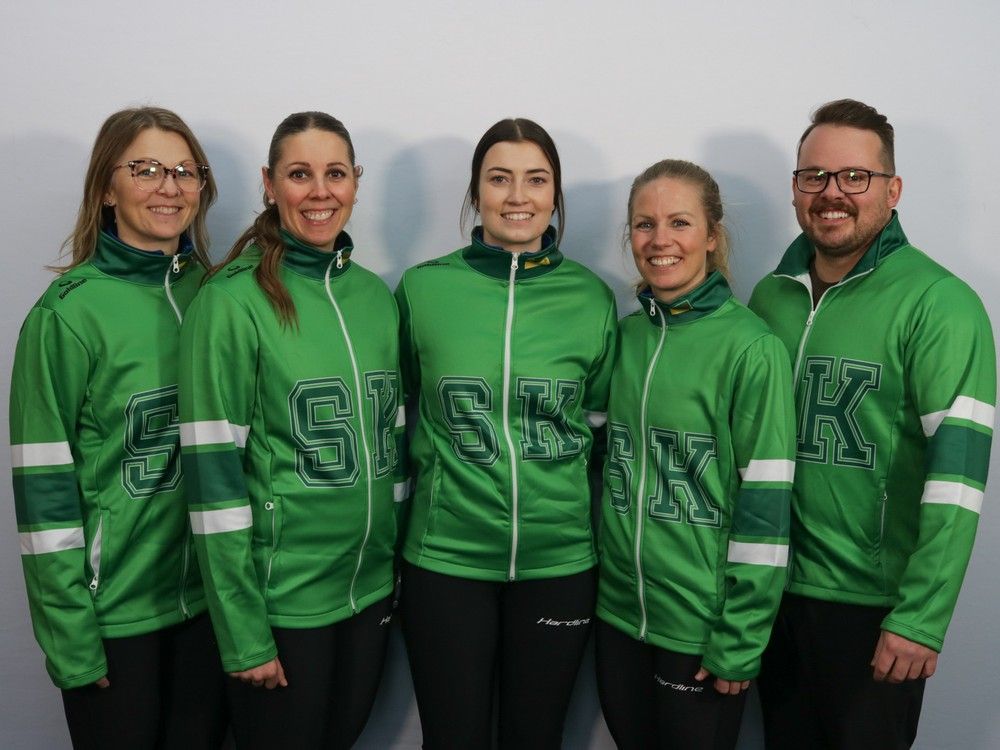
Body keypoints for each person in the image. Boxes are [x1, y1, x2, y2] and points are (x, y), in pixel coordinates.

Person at [750, 99, 997, 750]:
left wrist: (922, 615)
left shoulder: (941, 304)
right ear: (798, 188)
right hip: (772, 596)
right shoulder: (769, 295)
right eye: (815, 176)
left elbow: (959, 478)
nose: (832, 193)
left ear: (892, 190)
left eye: (854, 177)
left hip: (873, 609)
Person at [178, 111, 404, 749]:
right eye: (299, 174)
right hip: (282, 604)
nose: (319, 191)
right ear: (269, 184)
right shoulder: (231, 301)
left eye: (335, 173)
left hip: (368, 596)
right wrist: (244, 631)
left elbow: (395, 451)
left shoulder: (376, 298)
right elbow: (212, 481)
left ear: (357, 182)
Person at [395, 118, 617, 749]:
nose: (518, 196)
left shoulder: (593, 299)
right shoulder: (423, 289)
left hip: (560, 562)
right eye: (499, 179)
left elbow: (596, 437)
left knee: (536, 737)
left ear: (555, 196)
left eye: (536, 179)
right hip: (446, 563)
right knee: (453, 738)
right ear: (475, 194)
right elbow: (403, 411)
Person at [9, 107, 227, 749]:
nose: (170, 186)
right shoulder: (66, 316)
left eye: (186, 171)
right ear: (107, 187)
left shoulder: (220, 298)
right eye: (147, 169)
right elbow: (43, 491)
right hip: (115, 619)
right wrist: (72, 640)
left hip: (210, 610)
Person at [595, 159, 795, 749]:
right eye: (643, 224)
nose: (660, 241)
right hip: (617, 619)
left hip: (701, 631)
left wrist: (741, 636)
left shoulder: (751, 348)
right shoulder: (625, 337)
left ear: (712, 236)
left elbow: (767, 505)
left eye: (679, 222)